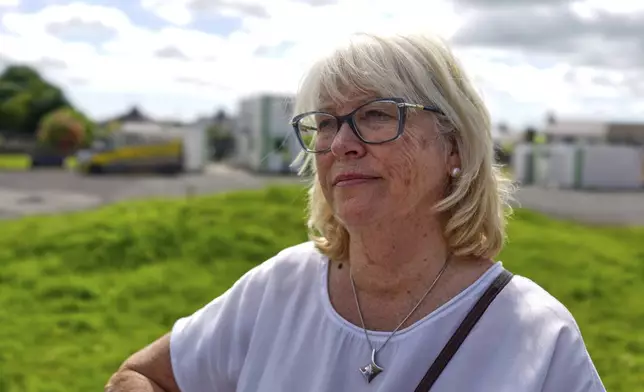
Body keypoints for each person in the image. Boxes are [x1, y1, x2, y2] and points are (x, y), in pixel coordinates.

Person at [105, 32, 606, 392]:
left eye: (375, 114)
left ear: (454, 146)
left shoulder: (538, 338)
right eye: (324, 123)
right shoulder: (279, 289)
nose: (340, 143)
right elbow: (141, 376)